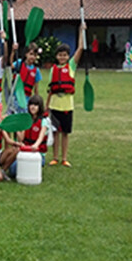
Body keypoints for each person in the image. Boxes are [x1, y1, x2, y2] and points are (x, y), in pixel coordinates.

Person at [46, 24, 86, 167]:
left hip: (67, 106)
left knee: (65, 133)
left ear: (68, 56)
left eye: (64, 55)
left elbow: (80, 49)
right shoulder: (53, 70)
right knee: (55, 133)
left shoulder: (71, 67)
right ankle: (55, 157)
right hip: (55, 106)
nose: (62, 57)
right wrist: (46, 107)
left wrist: (81, 30)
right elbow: (50, 89)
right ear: (56, 56)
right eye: (60, 55)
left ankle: (64, 158)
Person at [9, 94, 48, 177]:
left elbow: (41, 137)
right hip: (25, 151)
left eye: (35, 105)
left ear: (39, 107)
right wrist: (16, 128)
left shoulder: (43, 121)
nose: (33, 107)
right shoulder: (27, 120)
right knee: (12, 171)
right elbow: (21, 138)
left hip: (37, 153)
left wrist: (35, 145)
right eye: (31, 104)